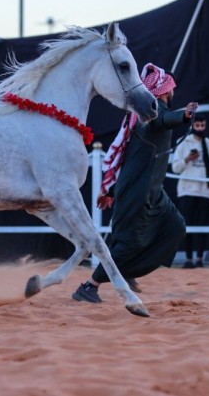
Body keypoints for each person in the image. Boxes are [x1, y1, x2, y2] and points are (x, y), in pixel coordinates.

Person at [72, 63, 196, 303]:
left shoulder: (149, 110)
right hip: (139, 192)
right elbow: (162, 121)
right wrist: (184, 115)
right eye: (170, 89)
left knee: (175, 227)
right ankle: (89, 286)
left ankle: (127, 271)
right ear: (164, 92)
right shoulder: (150, 111)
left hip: (152, 191)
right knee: (129, 244)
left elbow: (163, 120)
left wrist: (180, 115)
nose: (173, 94)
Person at [171, 114, 209, 268]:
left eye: (202, 126)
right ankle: (188, 258)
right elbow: (175, 168)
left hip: (206, 191)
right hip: (187, 191)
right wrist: (187, 159)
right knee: (187, 227)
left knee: (202, 226)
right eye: (198, 125)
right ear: (193, 126)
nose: (200, 128)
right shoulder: (184, 143)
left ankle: (199, 258)